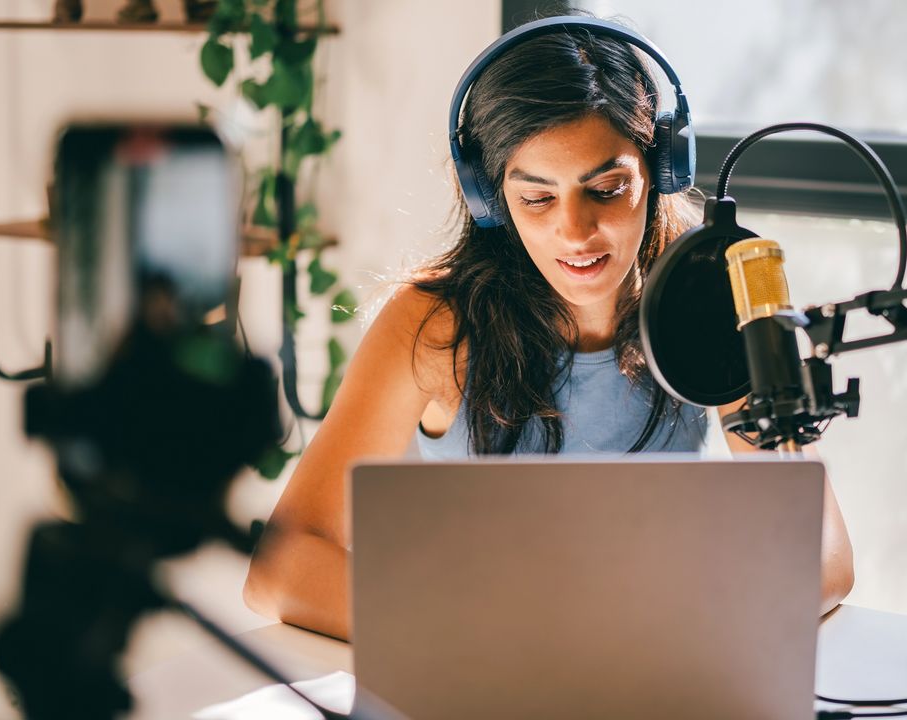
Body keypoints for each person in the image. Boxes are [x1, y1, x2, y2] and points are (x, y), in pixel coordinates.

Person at [243, 16, 854, 641]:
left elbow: (823, 555)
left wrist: (695, 622)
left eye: (608, 188)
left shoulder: (706, 299)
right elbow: (280, 569)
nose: (576, 232)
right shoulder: (432, 325)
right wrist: (477, 632)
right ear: (490, 199)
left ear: (660, 171)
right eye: (537, 198)